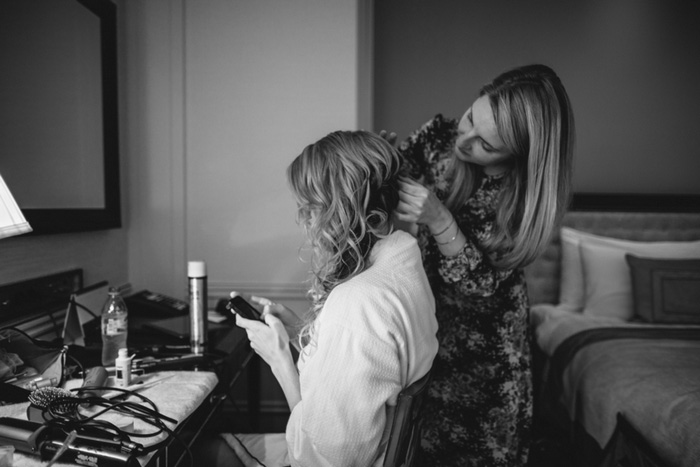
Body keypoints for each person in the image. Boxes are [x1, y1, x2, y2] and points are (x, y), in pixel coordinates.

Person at [208, 130, 439, 467]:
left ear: (340, 210)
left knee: (197, 447)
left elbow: (319, 459)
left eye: (311, 207)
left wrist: (279, 360)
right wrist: (304, 330)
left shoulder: (357, 304)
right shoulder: (404, 262)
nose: (305, 220)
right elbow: (371, 363)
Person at [390, 64, 575, 466]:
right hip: (427, 333)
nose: (465, 140)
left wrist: (440, 219)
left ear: (518, 156)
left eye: (486, 146)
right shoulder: (439, 135)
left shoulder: (521, 200)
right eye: (471, 118)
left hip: (485, 361)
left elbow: (482, 284)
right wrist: (382, 162)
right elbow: (391, 185)